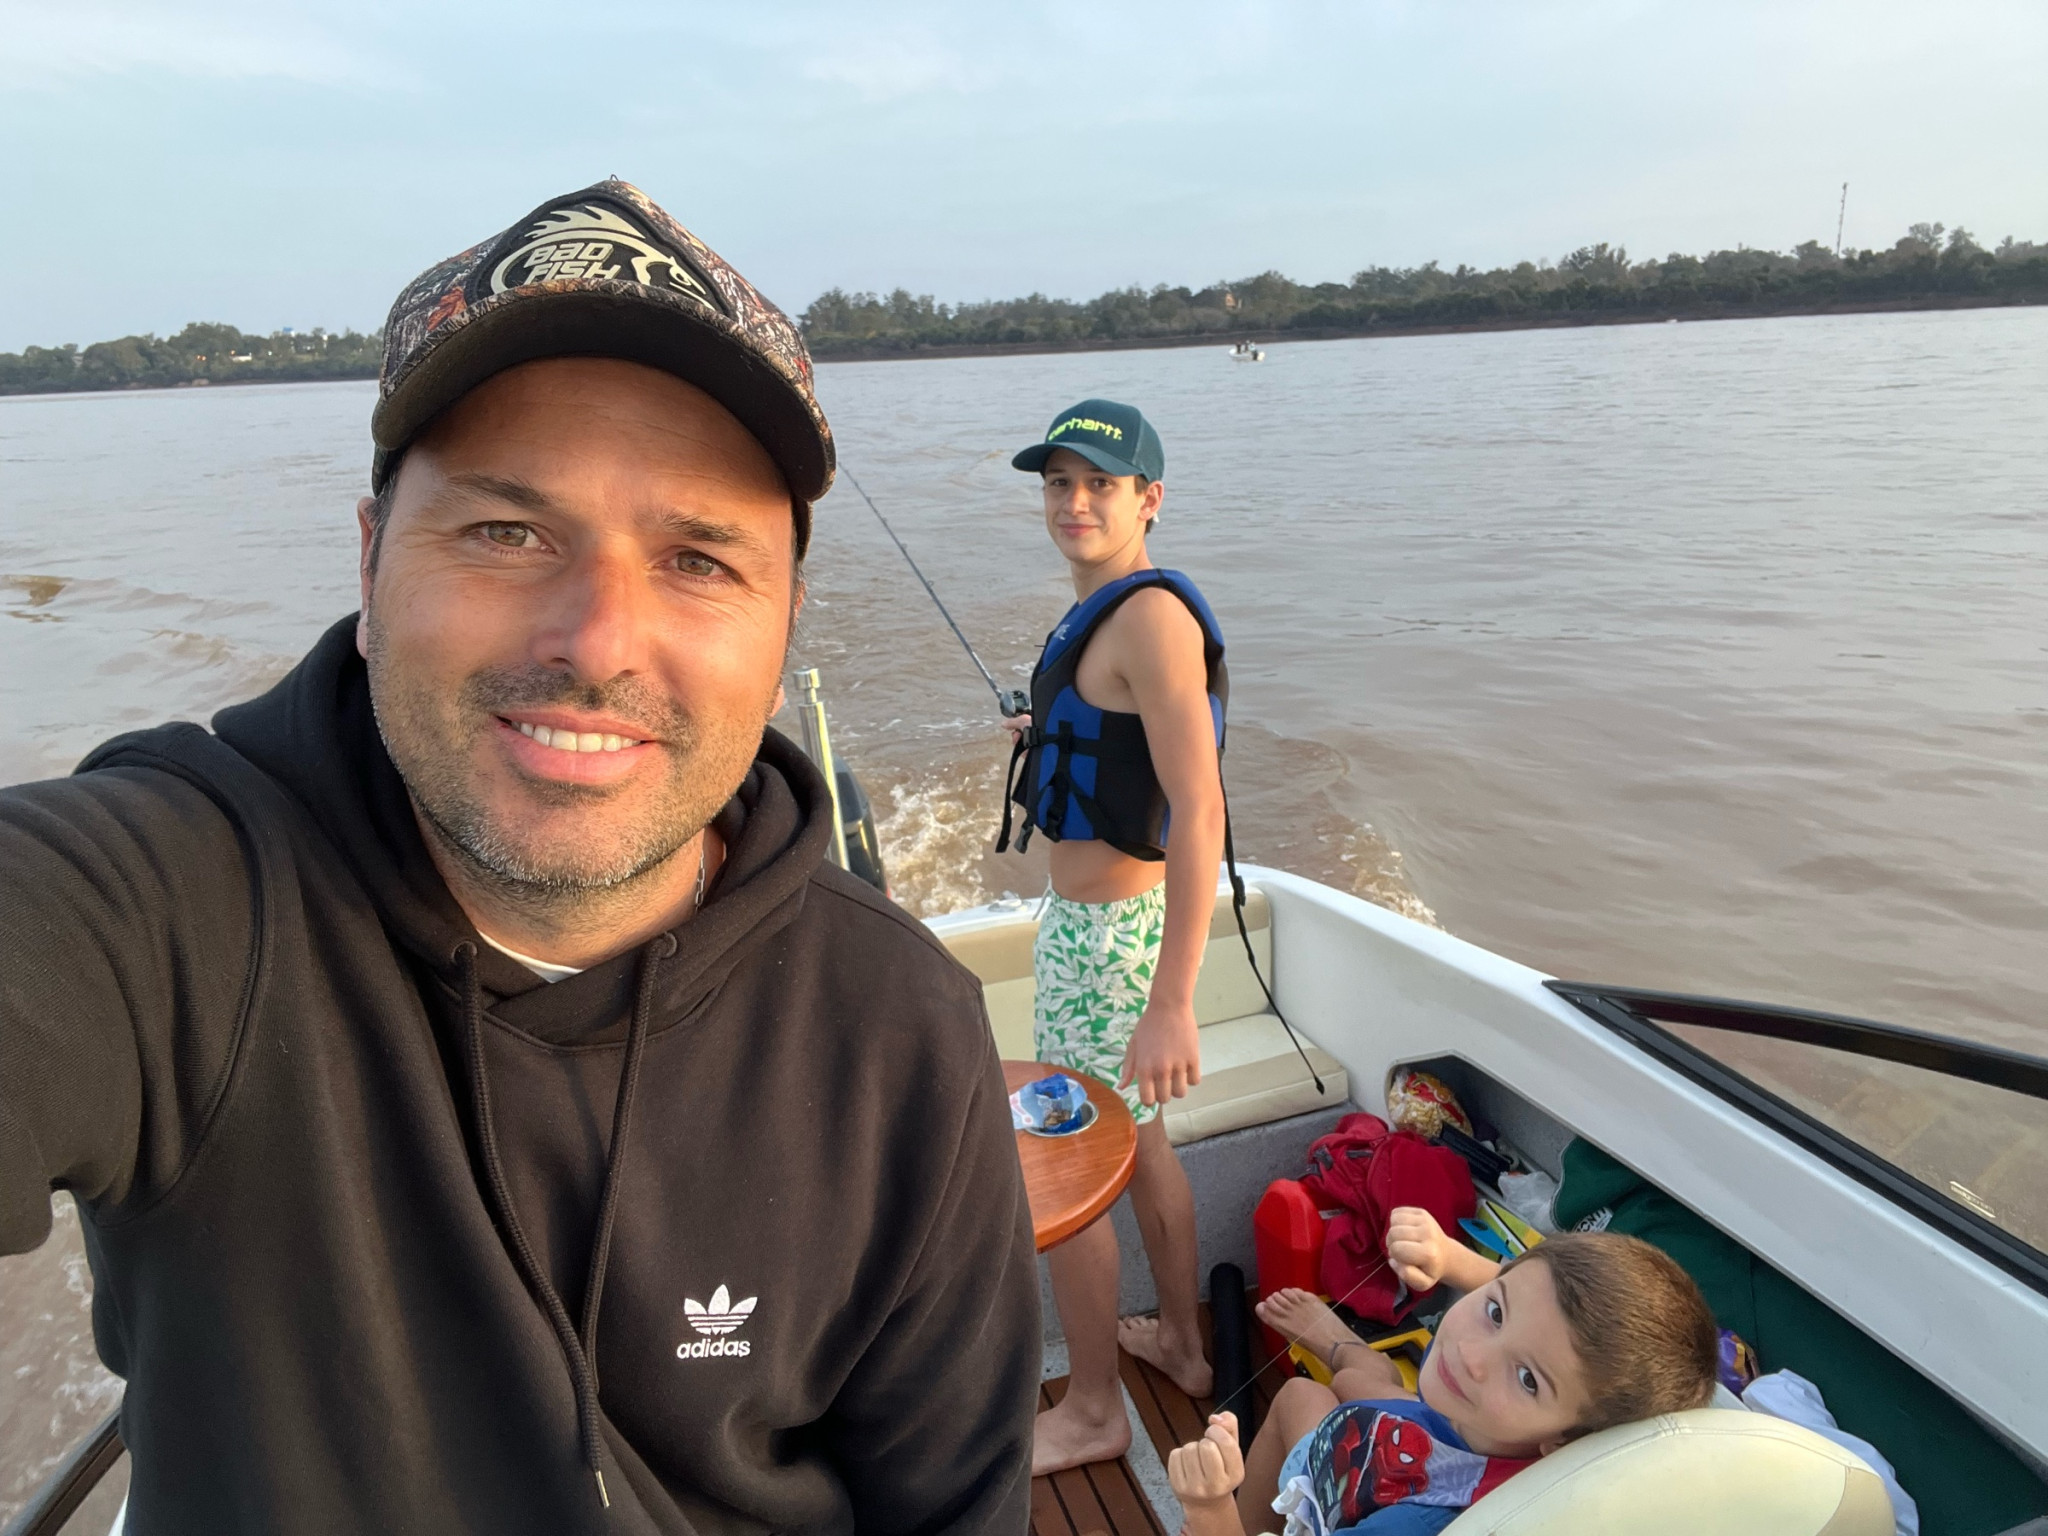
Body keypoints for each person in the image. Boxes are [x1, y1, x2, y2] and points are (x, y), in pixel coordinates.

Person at [0, 179, 1038, 1534]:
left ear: (784, 623)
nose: (595, 642)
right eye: (506, 532)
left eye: (698, 559)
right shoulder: (171, 908)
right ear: (370, 567)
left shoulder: (900, 1030)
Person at [998, 399, 1229, 1473]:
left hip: (1109, 946)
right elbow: (1118, 740)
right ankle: (1181, 1344)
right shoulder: (1102, 611)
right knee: (1142, 1146)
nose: (1074, 502)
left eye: (1100, 483)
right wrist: (1046, 731)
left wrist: (1171, 999)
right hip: (1102, 933)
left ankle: (1093, 1409)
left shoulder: (1147, 617)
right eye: (1059, 482)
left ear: (1150, 499)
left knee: (1070, 1168)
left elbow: (1200, 807)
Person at [1168, 1208, 1719, 1534]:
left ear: (1563, 1441)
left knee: (1311, 1397)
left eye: (1527, 1378)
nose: (1473, 1356)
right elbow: (1530, 1299)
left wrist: (1210, 1508)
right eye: (1495, 1311)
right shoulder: (1508, 1412)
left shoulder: (1416, 1526)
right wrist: (1451, 1258)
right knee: (1306, 1394)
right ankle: (1347, 1351)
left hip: (1374, 1500)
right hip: (1444, 1439)